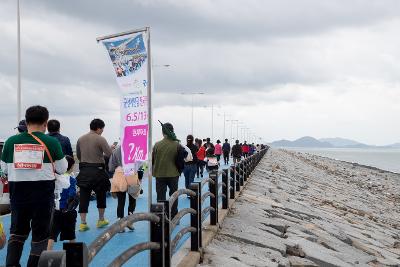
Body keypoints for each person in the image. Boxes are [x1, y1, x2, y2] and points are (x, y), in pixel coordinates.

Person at [0, 105, 68, 267]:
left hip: (18, 196)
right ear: (45, 123)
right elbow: (62, 168)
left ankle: (11, 264)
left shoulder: (10, 142)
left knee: (16, 234)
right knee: (40, 237)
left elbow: (4, 170)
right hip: (43, 196)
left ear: (27, 121)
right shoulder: (51, 142)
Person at [76, 118, 113, 231]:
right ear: (98, 128)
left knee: (84, 196)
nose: (102, 131)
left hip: (84, 170)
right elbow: (110, 154)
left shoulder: (80, 139)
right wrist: (111, 149)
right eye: (102, 129)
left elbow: (78, 156)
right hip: (98, 171)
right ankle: (101, 220)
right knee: (101, 195)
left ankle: (83, 223)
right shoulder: (100, 139)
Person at [47, 155, 78, 250]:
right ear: (71, 167)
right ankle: (73, 259)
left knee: (51, 236)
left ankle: (47, 257)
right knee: (71, 235)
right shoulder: (71, 180)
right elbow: (72, 194)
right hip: (68, 211)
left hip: (56, 210)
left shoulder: (54, 178)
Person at [152, 122, 180, 219]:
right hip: (173, 174)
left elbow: (153, 160)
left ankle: (161, 216)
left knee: (160, 197)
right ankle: (173, 215)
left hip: (159, 174)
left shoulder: (156, 145)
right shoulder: (177, 145)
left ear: (162, 132)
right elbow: (180, 161)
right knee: (174, 195)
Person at [108, 146, 137, 231]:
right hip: (132, 175)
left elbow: (111, 167)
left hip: (120, 176)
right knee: (133, 198)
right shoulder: (134, 148)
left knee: (121, 201)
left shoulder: (116, 151)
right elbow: (139, 164)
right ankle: (130, 221)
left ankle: (120, 223)